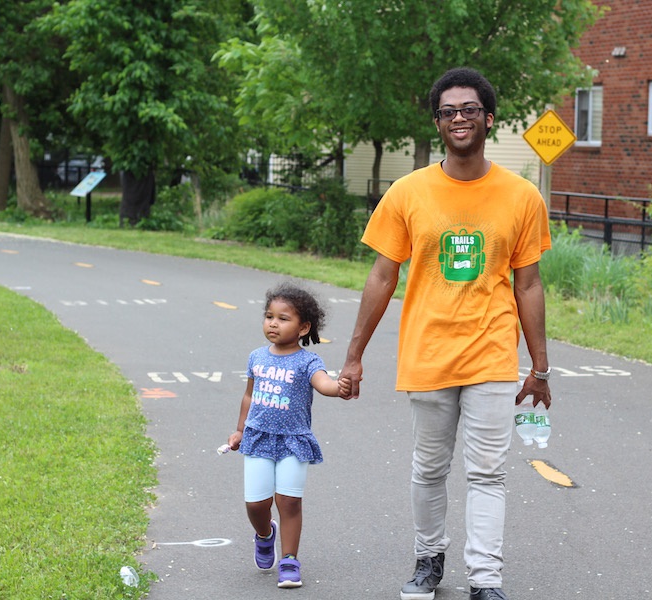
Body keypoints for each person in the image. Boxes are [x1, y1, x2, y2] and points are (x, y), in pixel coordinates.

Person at [338, 67, 553, 600]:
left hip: (492, 355)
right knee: (429, 469)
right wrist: (354, 355)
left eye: (470, 110)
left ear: (488, 119)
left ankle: (486, 581)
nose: (460, 118)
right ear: (438, 122)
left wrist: (541, 367)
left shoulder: (522, 196)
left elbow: (528, 285)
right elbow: (382, 276)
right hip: (428, 353)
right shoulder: (409, 192)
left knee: (487, 473)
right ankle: (428, 560)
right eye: (448, 111)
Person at [226, 282, 351, 589]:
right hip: (258, 438)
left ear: (303, 326)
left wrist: (340, 388)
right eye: (269, 316)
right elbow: (248, 396)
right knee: (256, 504)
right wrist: (240, 429)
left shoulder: (308, 361)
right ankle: (265, 535)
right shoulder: (256, 357)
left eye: (283, 318)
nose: (273, 323)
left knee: (289, 501)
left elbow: (324, 384)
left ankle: (289, 560)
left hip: (294, 440)